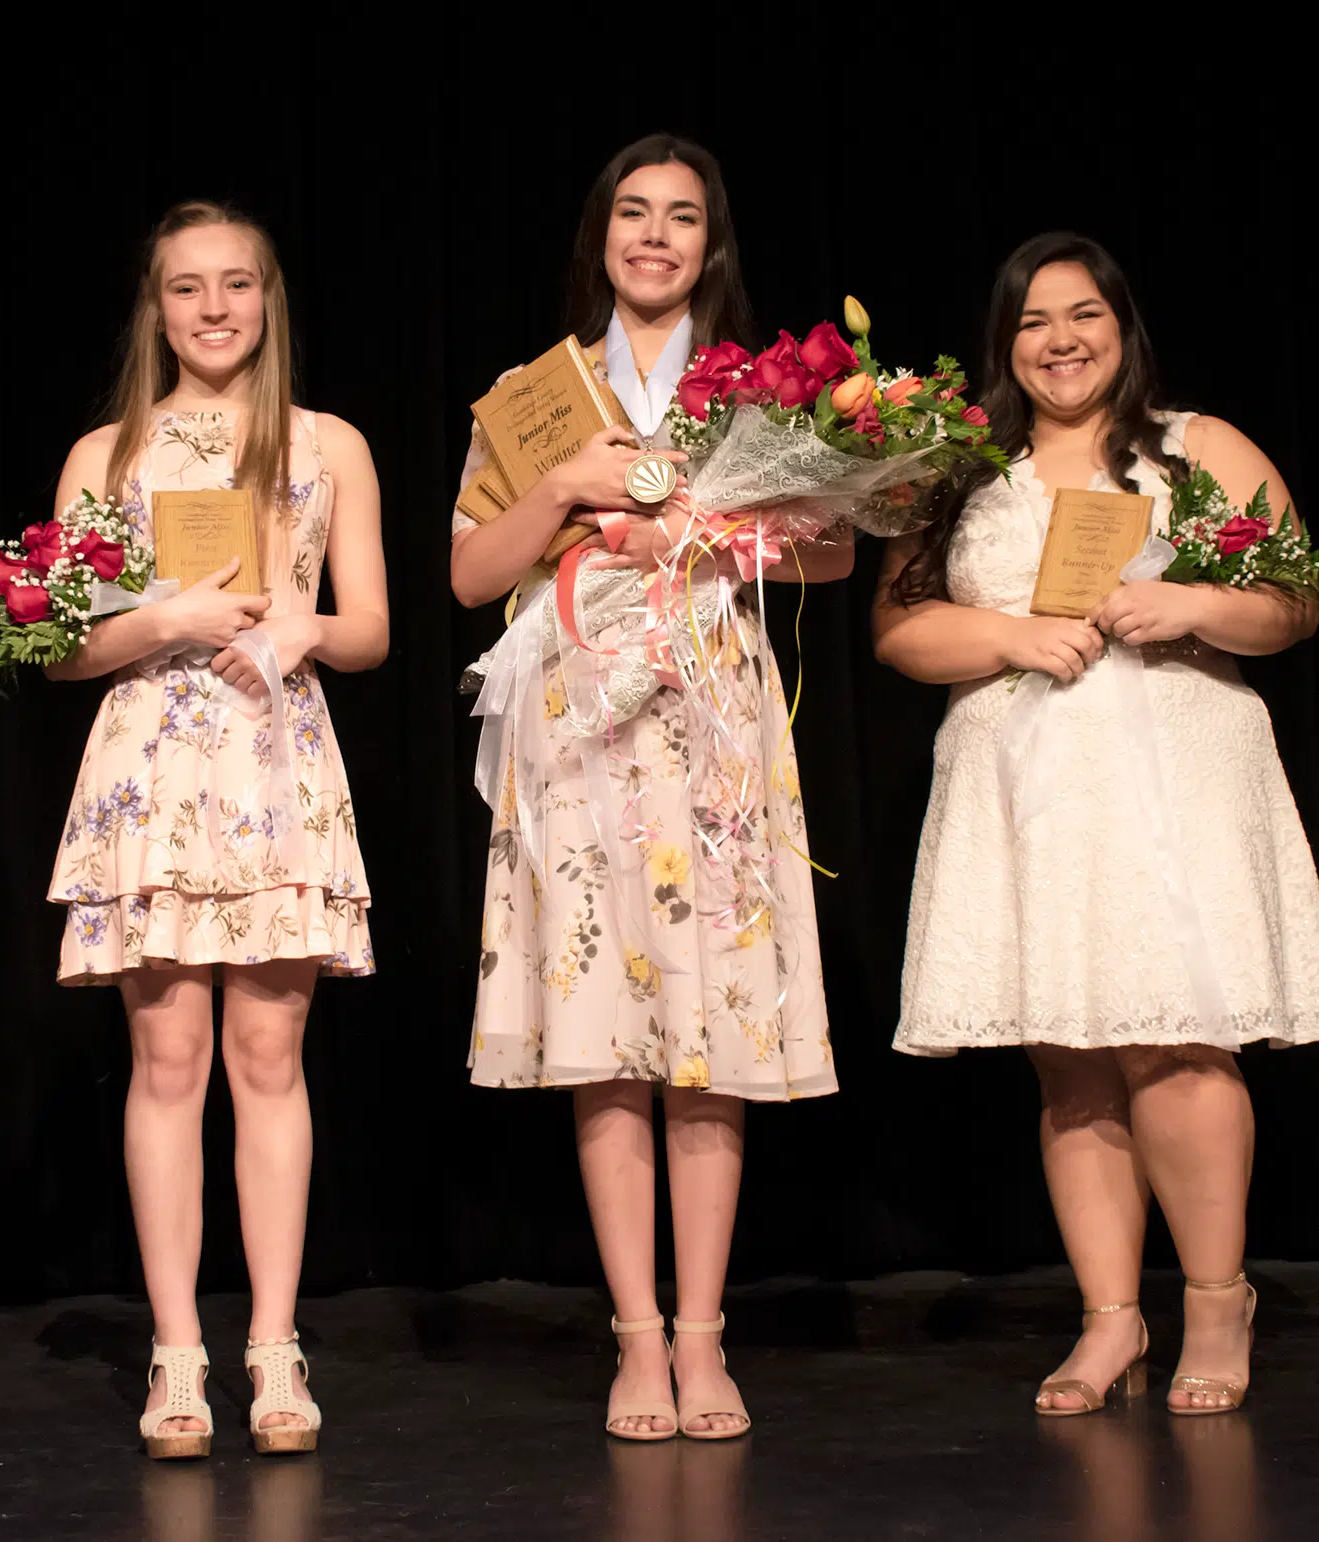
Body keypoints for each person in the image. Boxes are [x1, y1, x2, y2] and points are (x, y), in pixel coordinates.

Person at [873, 232, 1319, 1417]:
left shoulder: (1199, 448)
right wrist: (1012, 638)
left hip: (1170, 770)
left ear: (1123, 328)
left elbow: (1294, 604)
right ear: (1005, 345)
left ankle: (1218, 1301)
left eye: (1084, 315)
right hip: (1026, 785)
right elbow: (900, 633)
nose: (1061, 340)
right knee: (1070, 1058)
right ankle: (1109, 1318)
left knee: (1180, 1038)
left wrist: (1187, 601)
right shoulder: (961, 474)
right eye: (1034, 322)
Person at [451, 135, 848, 1441]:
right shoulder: (534, 396)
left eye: (684, 218)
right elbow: (466, 576)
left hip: (711, 715)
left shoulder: (751, 391)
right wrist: (565, 483)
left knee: (710, 1033)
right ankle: (633, 1339)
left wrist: (711, 526)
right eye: (635, 213)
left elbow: (835, 549)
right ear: (601, 234)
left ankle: (703, 1338)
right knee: (609, 1033)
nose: (658, 237)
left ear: (710, 244)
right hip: (576, 724)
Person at [43, 199, 388, 1457]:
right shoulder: (106, 457)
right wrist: (165, 621)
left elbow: (371, 628)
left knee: (267, 1060)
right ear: (156, 308)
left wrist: (302, 627)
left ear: (268, 296)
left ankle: (276, 1346)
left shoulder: (327, 443)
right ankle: (178, 1351)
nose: (214, 309)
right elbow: (65, 646)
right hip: (155, 769)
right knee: (168, 1063)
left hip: (274, 764)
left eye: (236, 285)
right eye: (187, 289)